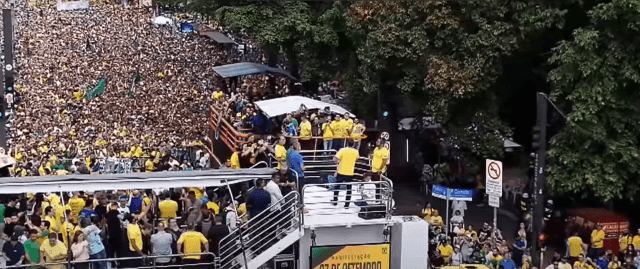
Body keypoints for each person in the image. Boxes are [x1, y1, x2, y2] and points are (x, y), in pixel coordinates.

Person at [332, 139, 359, 208]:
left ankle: (335, 201)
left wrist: (338, 162)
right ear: (353, 144)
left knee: (337, 187)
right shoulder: (356, 152)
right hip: (350, 172)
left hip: (341, 171)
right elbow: (357, 158)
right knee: (349, 189)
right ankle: (347, 205)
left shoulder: (342, 150)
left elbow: (335, 158)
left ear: (347, 143)